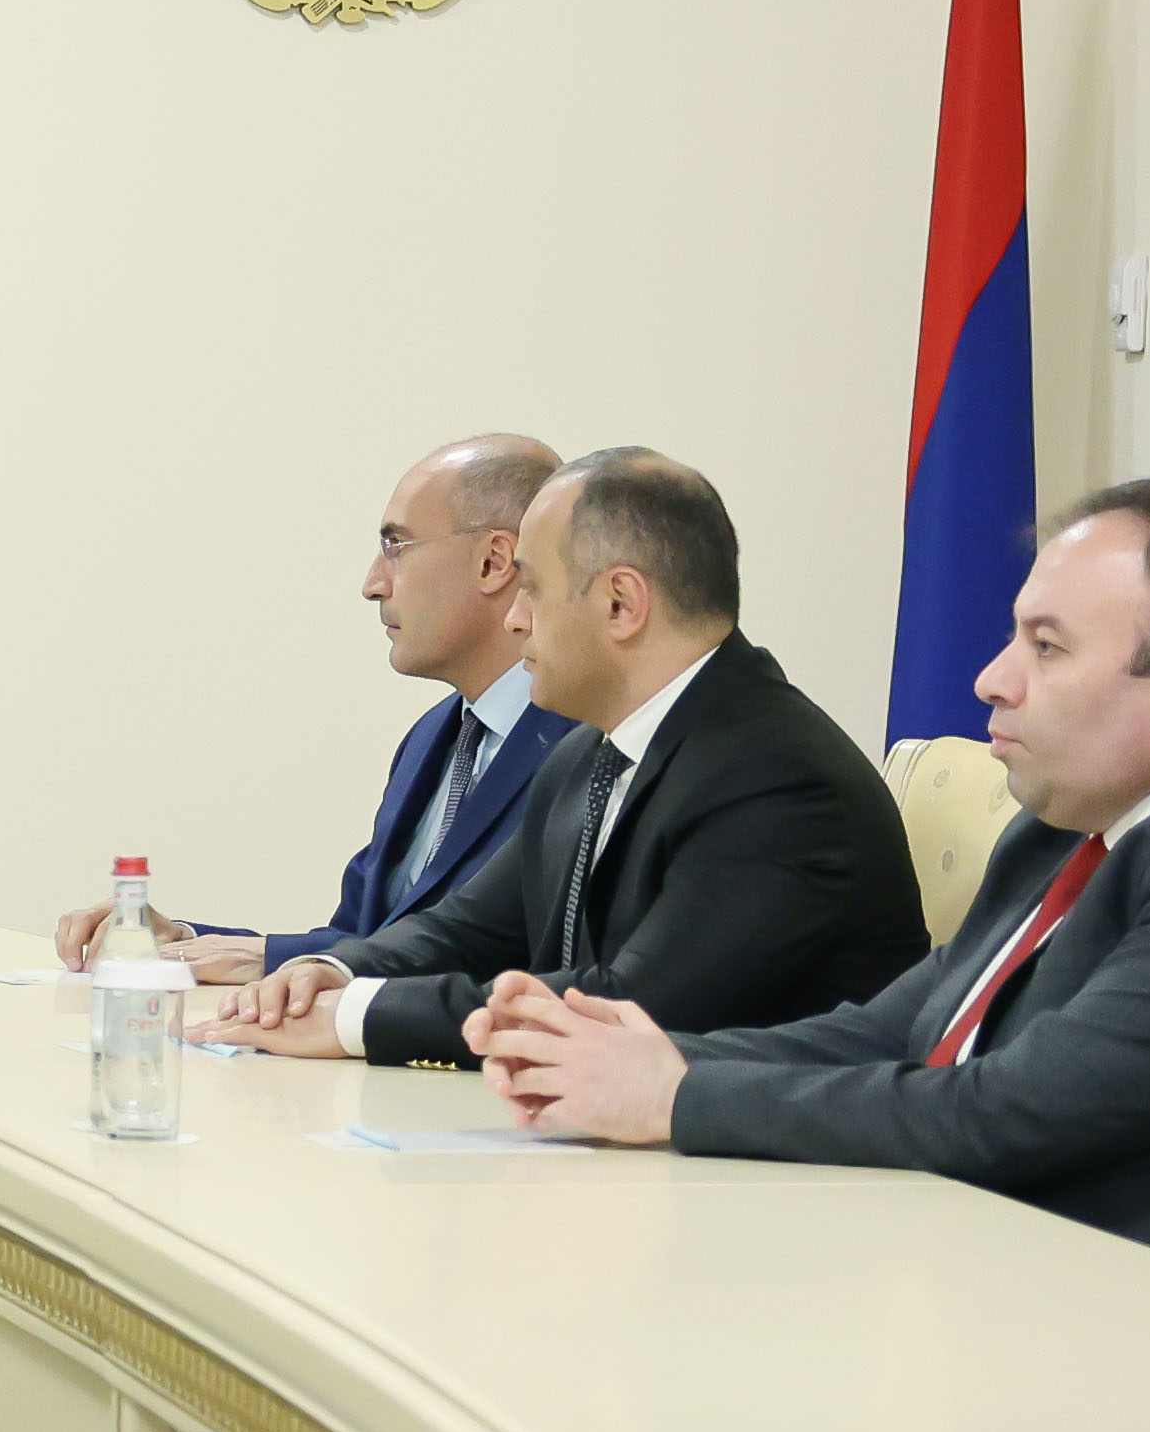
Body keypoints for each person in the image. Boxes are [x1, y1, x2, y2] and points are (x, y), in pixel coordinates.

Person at [474, 478, 1150, 1351]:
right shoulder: (1081, 819)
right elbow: (900, 1030)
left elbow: (1007, 1114)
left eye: (1046, 648)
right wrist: (637, 1057)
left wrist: (675, 1098)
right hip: (1068, 1318)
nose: (991, 679)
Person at [197, 446, 919, 1067]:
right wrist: (330, 971)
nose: (515, 619)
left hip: (775, 1177)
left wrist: (356, 1018)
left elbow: (624, 1011)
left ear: (620, 605)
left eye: (533, 590)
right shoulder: (590, 752)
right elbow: (467, 931)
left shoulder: (776, 779)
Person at [62, 433, 580, 983]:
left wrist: (269, 959)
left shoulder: (586, 745)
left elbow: (504, 961)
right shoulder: (433, 738)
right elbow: (362, 940)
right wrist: (186, 943)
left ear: (493, 562)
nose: (372, 585)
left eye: (396, 545)